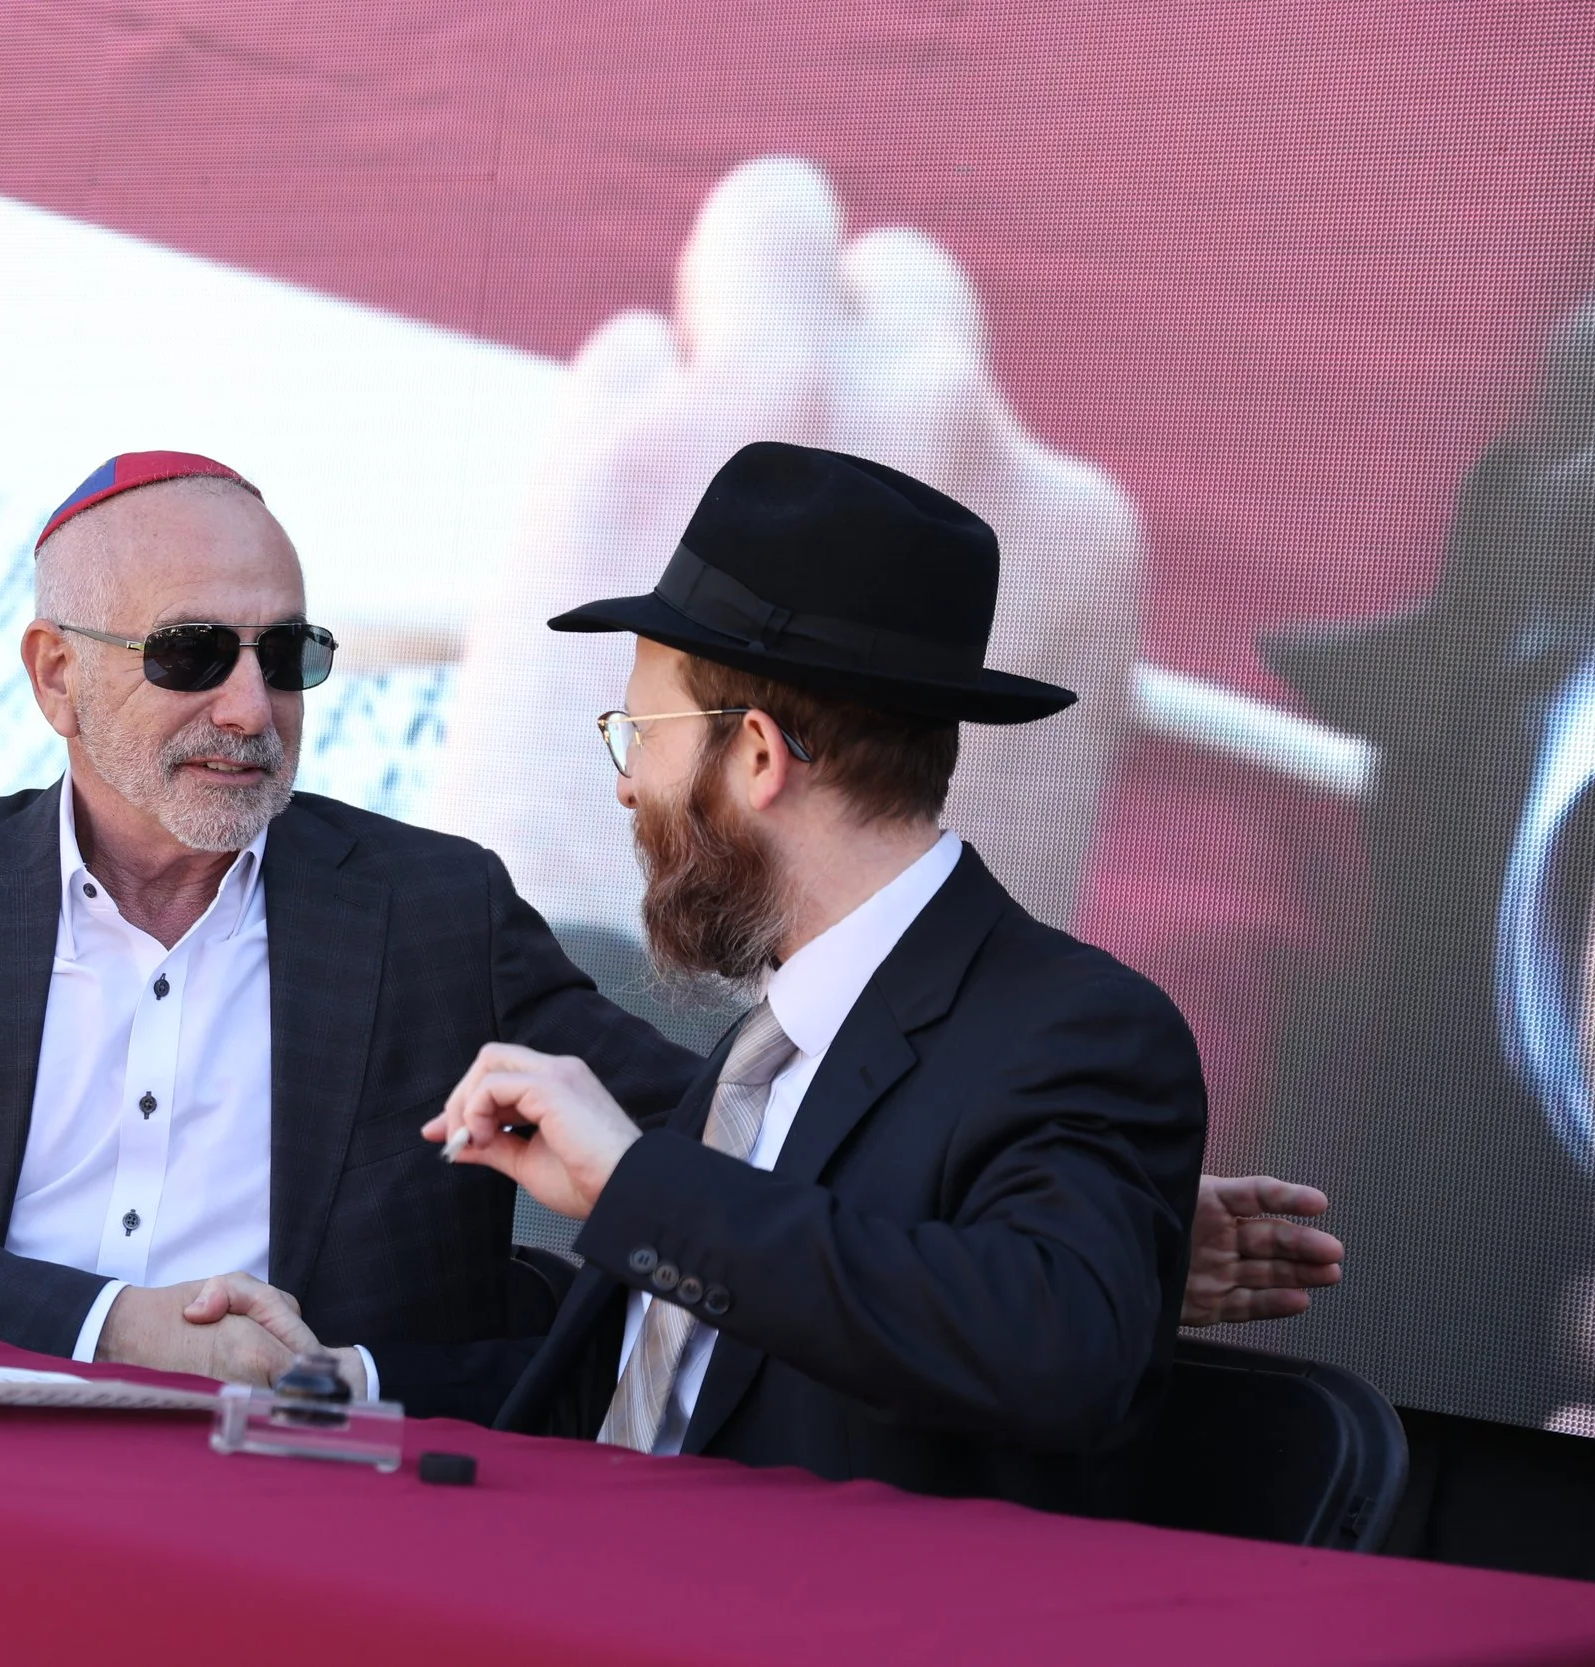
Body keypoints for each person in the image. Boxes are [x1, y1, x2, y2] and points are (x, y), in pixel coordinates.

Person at [0, 451, 703, 1393]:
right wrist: (109, 1325)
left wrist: (352, 1377)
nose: (250, 709)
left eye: (287, 654)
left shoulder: (435, 911)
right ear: (57, 674)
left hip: (309, 1485)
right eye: (193, 653)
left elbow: (716, 1147)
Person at [402, 440, 1211, 1511]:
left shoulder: (1078, 1030)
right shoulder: (765, 1047)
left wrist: (637, 1184)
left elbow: (1053, 1349)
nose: (627, 786)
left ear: (755, 754)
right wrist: (332, 1375)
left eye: (639, 733)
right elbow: (643, 1392)